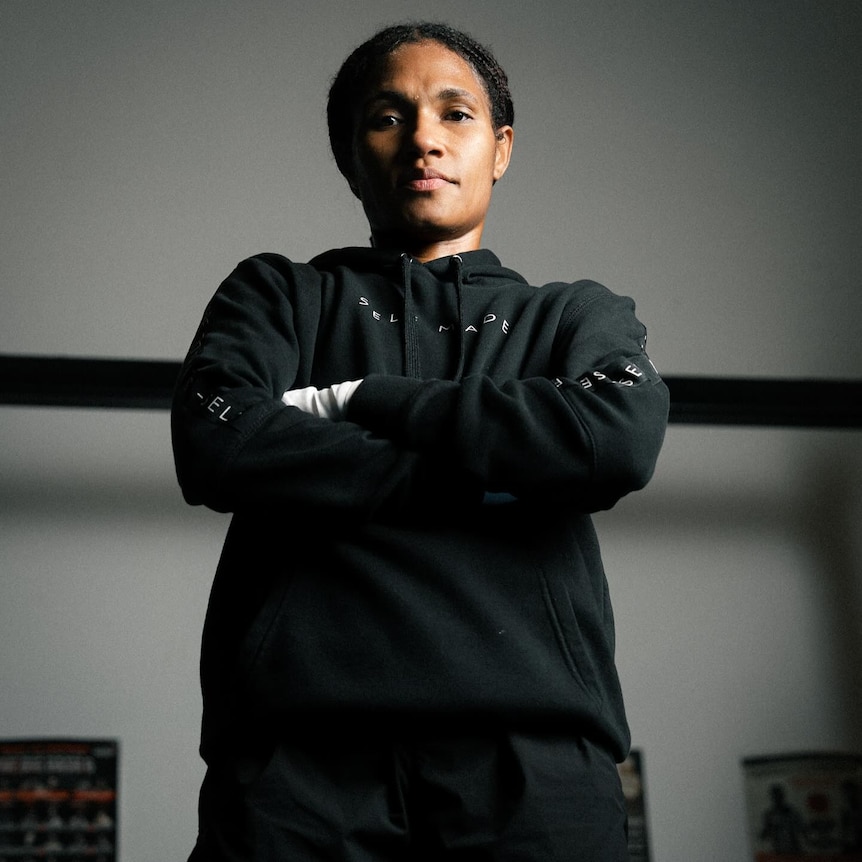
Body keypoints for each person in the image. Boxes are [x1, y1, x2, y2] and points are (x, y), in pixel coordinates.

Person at [171, 20, 669, 862]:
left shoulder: (576, 316)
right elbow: (217, 441)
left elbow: (616, 443)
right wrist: (497, 470)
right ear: (349, 153)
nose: (424, 141)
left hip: (535, 764)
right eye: (388, 116)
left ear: (501, 147)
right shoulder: (279, 297)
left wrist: (364, 397)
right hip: (297, 764)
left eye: (456, 114)